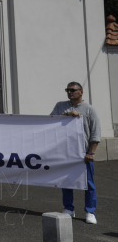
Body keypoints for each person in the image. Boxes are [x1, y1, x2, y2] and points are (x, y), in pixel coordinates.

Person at [50, 82, 100, 224]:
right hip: (66, 151)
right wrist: (66, 115)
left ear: (81, 92)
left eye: (73, 90)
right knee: (67, 181)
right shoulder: (60, 105)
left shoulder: (89, 109)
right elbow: (51, 122)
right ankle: (69, 208)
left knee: (88, 183)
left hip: (84, 152)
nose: (70, 92)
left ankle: (90, 211)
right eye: (68, 90)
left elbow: (95, 132)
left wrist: (91, 151)